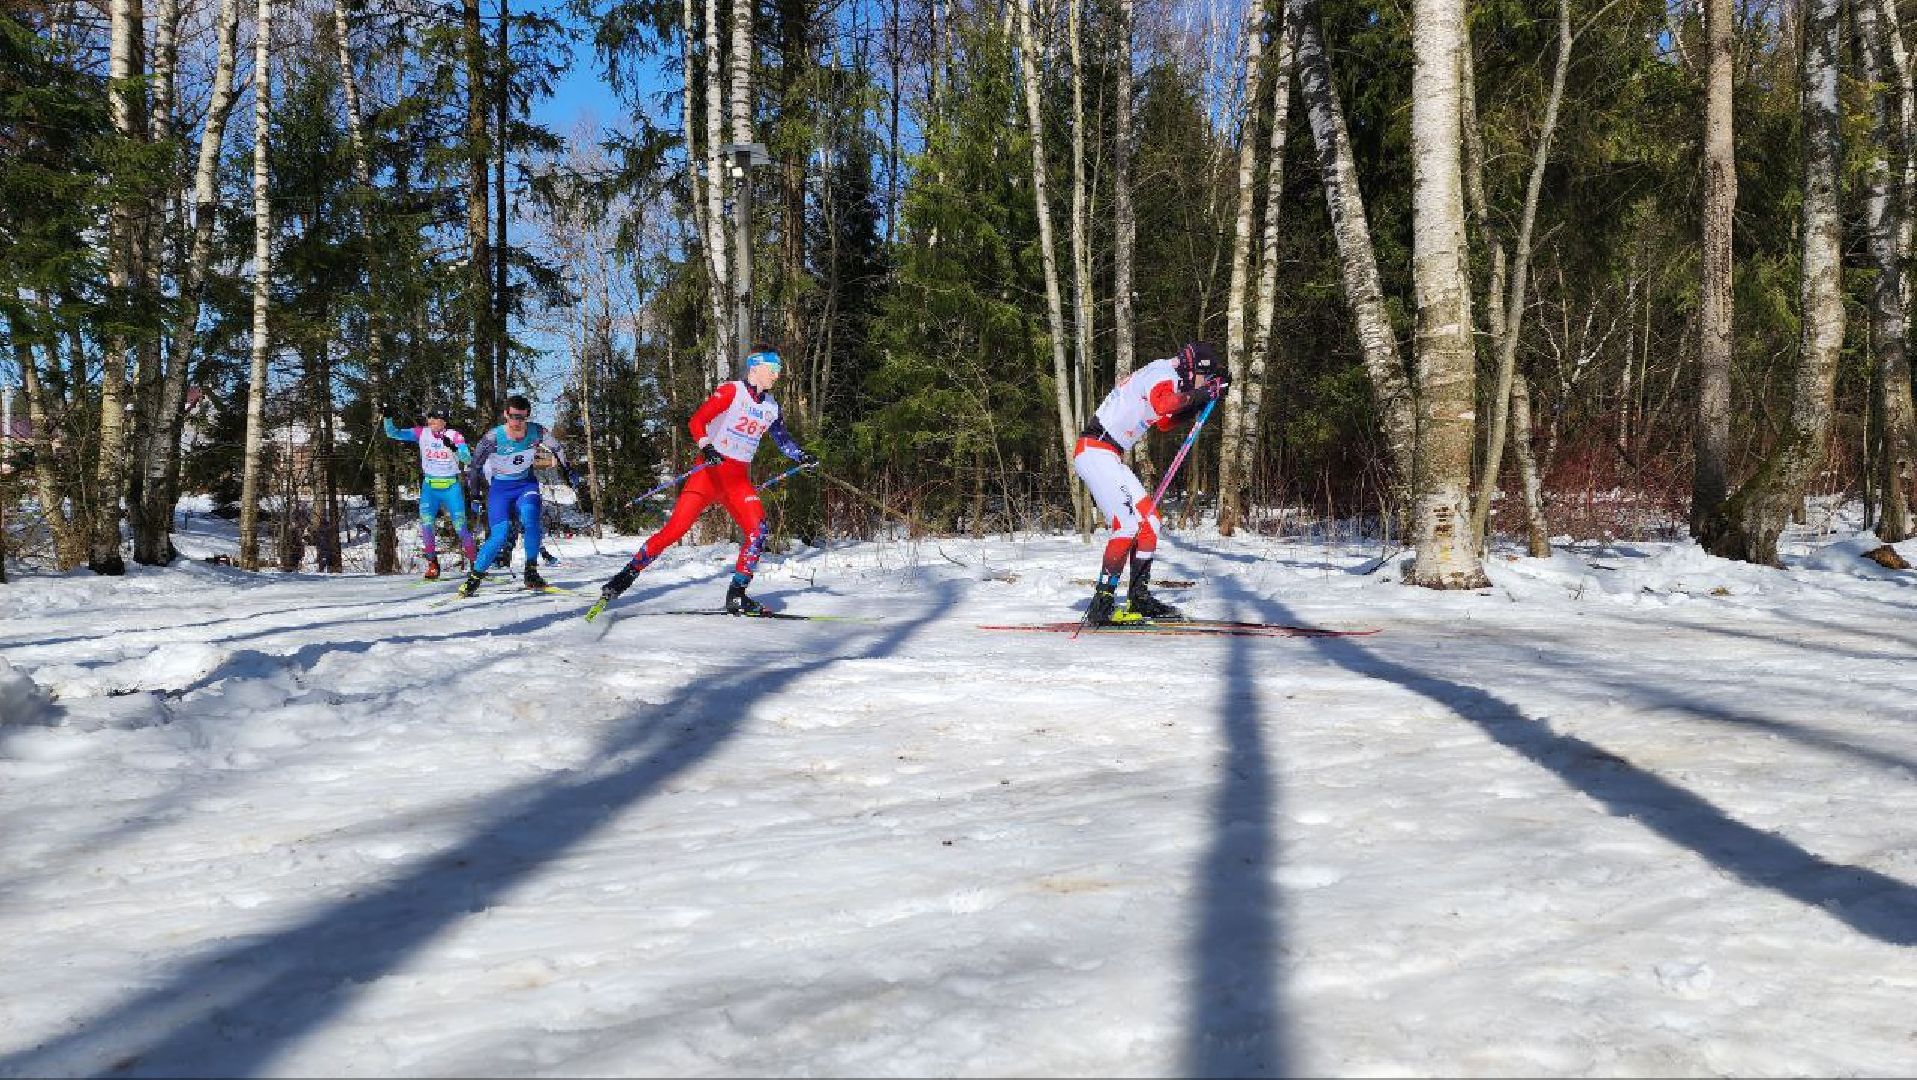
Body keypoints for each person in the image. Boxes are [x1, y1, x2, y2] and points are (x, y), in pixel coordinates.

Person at [596, 344, 818, 615]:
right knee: (674, 531)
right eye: (773, 369)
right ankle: (624, 577)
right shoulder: (731, 391)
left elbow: (782, 439)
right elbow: (697, 420)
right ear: (756, 368)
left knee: (758, 531)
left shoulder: (771, 407)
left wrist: (802, 456)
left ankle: (737, 594)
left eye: (779, 370)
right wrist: (706, 447)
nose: (777, 375)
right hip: (708, 475)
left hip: (737, 481)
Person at [1073, 341, 1229, 624]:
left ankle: (1139, 597)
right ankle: (1102, 603)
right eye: (1204, 377)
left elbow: (1165, 421)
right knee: (1127, 525)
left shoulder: (1169, 378)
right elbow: (1163, 404)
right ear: (1194, 369)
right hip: (1094, 449)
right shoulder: (1162, 375)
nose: (1203, 382)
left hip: (1110, 454)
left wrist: (1201, 401)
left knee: (1150, 523)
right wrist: (1205, 393)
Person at [458, 395, 583, 596]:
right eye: (514, 417)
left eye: (522, 418)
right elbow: (475, 467)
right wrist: (474, 495)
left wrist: (568, 469)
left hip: (526, 484)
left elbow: (557, 448)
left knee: (531, 520)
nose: (517, 422)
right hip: (500, 489)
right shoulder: (492, 438)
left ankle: (531, 572)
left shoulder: (536, 431)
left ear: (527, 417)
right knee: (499, 535)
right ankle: (475, 577)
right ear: (506, 415)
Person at [382, 404, 474, 580]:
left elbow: (467, 458)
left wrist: (454, 448)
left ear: (443, 420)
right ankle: (433, 563)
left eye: (434, 418)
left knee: (460, 528)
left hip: (451, 487)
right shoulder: (421, 433)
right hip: (430, 487)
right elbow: (392, 433)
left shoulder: (454, 436)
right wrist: (388, 418)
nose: (430, 421)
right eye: (428, 417)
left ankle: (476, 565)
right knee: (426, 526)